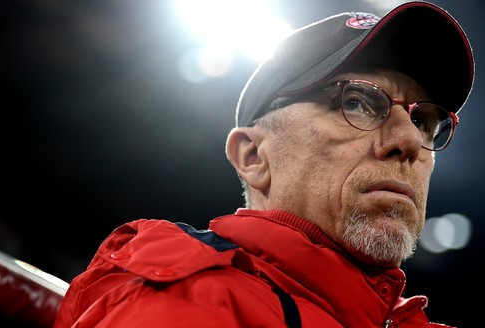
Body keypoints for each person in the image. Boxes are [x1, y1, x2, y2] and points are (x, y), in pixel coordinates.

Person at [54, 1, 474, 327]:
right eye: (356, 103)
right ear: (253, 158)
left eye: (422, 121)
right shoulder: (191, 302)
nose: (408, 141)